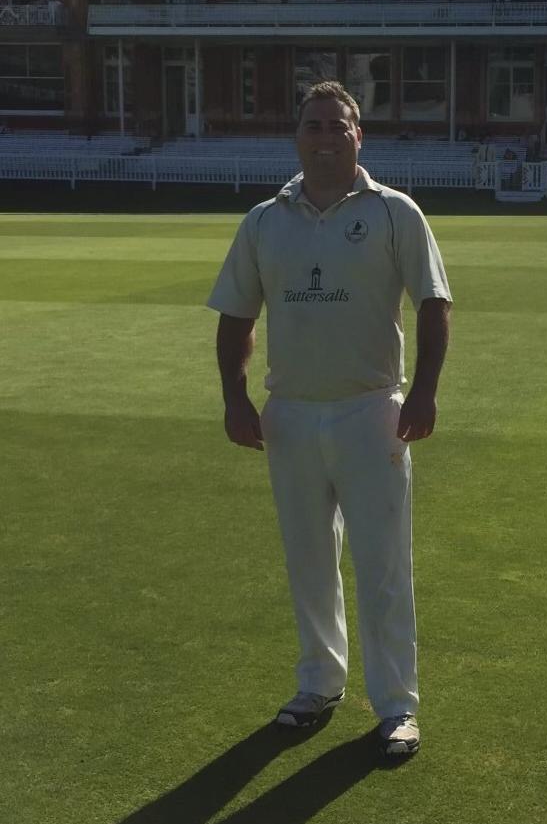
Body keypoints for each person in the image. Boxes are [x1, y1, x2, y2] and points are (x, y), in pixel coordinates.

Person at [207, 81, 452, 757]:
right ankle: (318, 683)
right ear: (297, 136)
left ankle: (397, 705)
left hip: (371, 408)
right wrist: (234, 396)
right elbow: (237, 316)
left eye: (336, 126)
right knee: (308, 560)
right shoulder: (264, 219)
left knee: (381, 563)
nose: (323, 136)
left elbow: (433, 303)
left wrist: (424, 391)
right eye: (312, 125)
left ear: (356, 136)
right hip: (290, 413)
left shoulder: (393, 212)